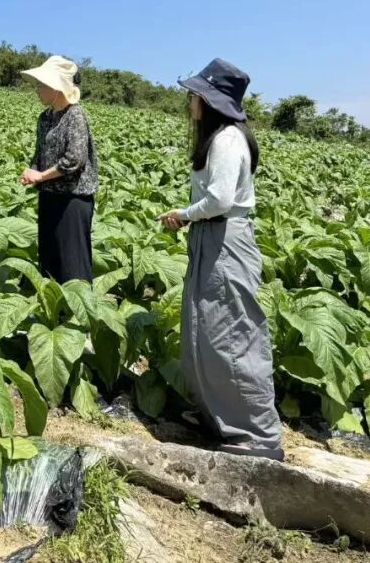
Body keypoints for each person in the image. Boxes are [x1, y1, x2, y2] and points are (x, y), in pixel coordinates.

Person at [158, 58, 284, 461]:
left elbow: (220, 201)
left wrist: (182, 214)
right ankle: (218, 418)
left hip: (225, 239)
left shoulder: (228, 140)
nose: (189, 101)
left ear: (209, 101)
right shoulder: (220, 137)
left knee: (233, 333)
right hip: (211, 237)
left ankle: (261, 436)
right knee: (204, 330)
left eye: (194, 95)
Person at [19, 55, 98, 284]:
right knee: (49, 255)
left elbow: (74, 160)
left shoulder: (75, 115)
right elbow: (39, 154)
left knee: (72, 261)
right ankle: (52, 313)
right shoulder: (44, 118)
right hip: (49, 195)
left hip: (73, 200)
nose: (38, 91)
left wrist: (41, 176)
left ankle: (78, 315)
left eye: (42, 86)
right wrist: (31, 171)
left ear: (57, 88)